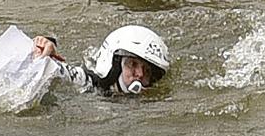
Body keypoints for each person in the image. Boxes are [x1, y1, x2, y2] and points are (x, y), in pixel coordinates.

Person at [32, 25, 170, 95]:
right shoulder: (89, 84)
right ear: (115, 65)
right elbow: (58, 70)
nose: (140, 74)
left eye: (147, 70)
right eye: (133, 64)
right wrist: (44, 47)